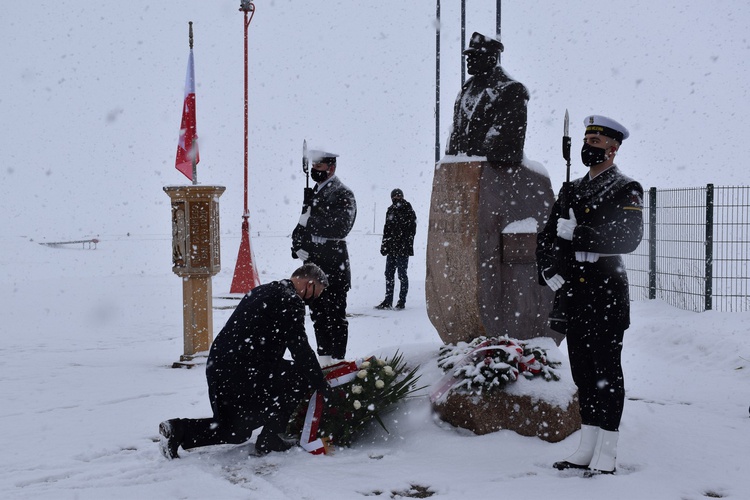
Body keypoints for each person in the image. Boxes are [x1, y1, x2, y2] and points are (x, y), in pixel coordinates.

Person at [536, 115, 644, 474]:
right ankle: (586, 445)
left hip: (605, 291)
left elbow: (629, 238)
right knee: (582, 372)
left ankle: (608, 449)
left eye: (596, 144)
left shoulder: (626, 188)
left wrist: (580, 234)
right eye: (586, 143)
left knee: (606, 371)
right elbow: (548, 237)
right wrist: (549, 270)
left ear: (613, 148)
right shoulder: (571, 189)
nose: (588, 149)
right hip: (573, 295)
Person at [158, 264, 332, 458]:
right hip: (245, 371)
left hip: (220, 365)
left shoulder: (263, 290)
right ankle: (271, 438)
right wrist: (320, 382)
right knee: (300, 376)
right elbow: (300, 349)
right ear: (309, 284)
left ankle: (177, 430)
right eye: (318, 292)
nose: (316, 299)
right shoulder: (290, 301)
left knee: (235, 430)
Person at [291, 149, 357, 366]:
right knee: (318, 316)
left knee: (335, 317)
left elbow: (341, 228)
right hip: (313, 265)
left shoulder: (343, 193)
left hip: (333, 265)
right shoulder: (313, 193)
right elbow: (300, 226)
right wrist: (297, 246)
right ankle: (324, 360)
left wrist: (309, 221)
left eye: (319, 167)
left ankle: (338, 362)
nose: (314, 171)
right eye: (313, 167)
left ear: (331, 168)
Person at [445, 32, 529, 164]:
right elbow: (455, 133)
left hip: (493, 175)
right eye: (468, 55)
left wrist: (479, 159)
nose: (468, 59)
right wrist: (453, 159)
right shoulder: (465, 90)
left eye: (475, 55)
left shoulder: (511, 90)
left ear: (491, 58)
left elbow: (506, 146)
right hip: (463, 172)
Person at [375, 188, 417, 310]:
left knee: (402, 275)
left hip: (403, 249)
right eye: (394, 196)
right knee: (388, 274)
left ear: (402, 196)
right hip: (392, 248)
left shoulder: (408, 210)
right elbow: (386, 230)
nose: (396, 198)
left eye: (398, 196)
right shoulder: (390, 210)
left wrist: (405, 243)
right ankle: (388, 301)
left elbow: (412, 231)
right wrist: (384, 245)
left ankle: (401, 302)